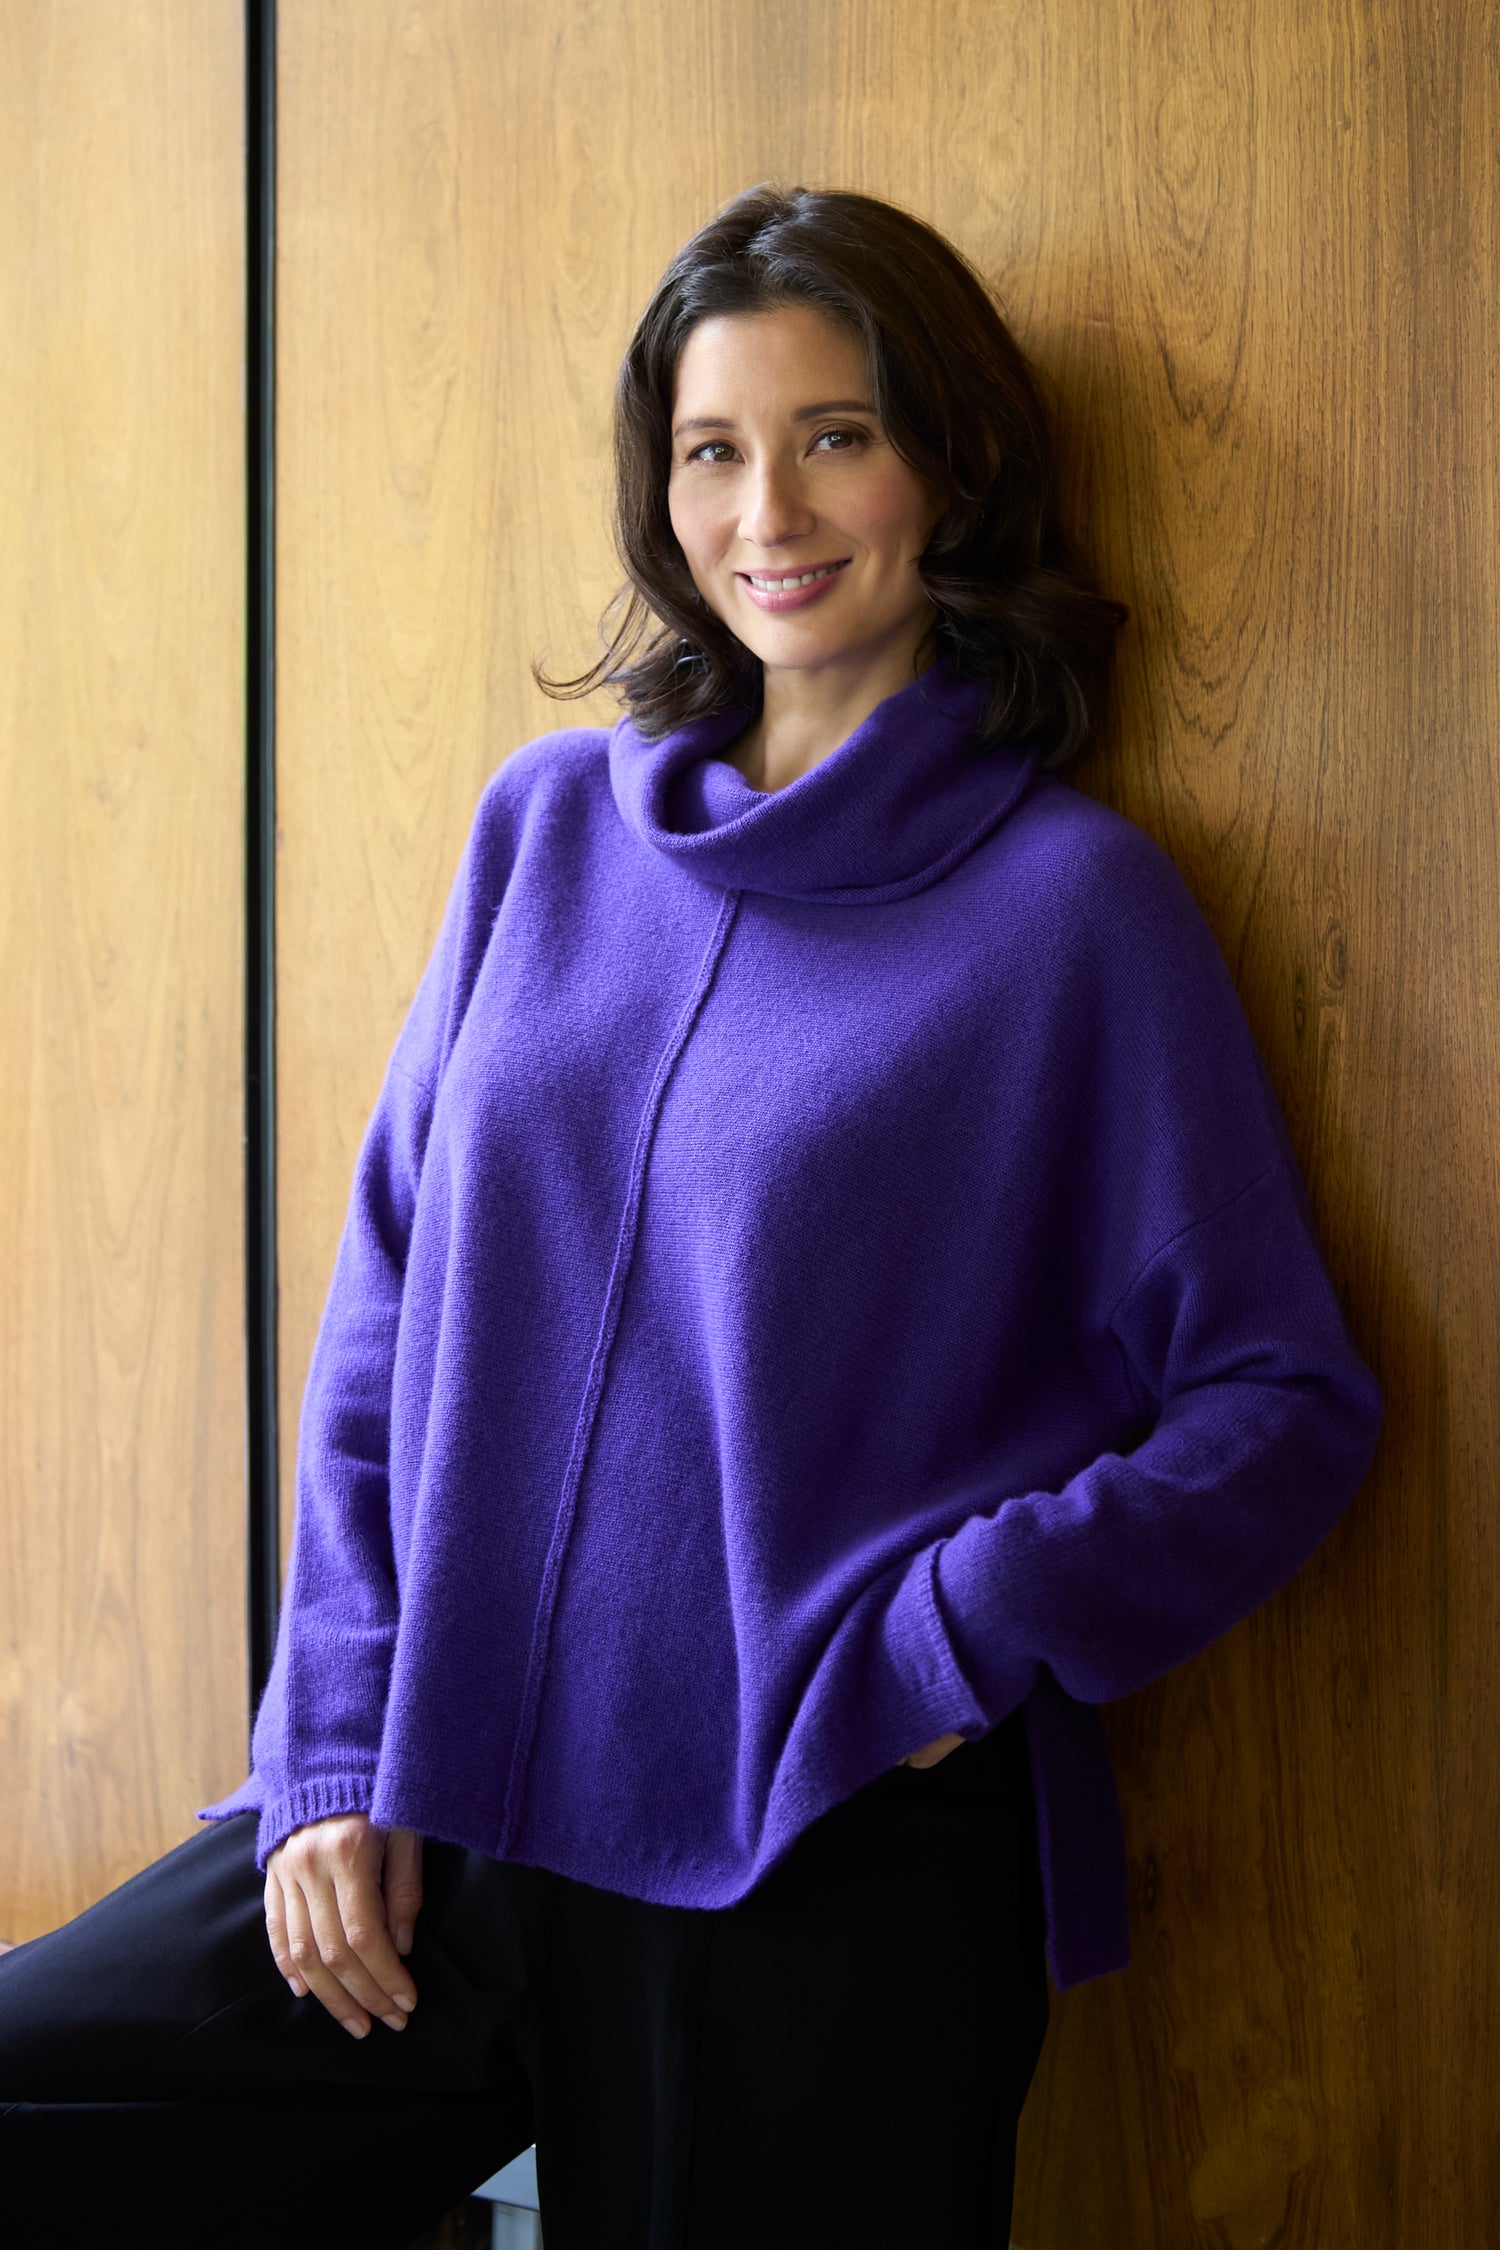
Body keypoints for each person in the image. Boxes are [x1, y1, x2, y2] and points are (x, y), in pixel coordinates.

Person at [0, 183, 1383, 2249]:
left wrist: (954, 1637)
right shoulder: (545, 831)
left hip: (820, 1870)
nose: (771, 508)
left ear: (954, 464)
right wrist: (327, 1755)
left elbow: (1280, 1406)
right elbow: (386, 1323)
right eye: (714, 448)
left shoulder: (1074, 915)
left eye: (837, 433)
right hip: (448, 1821)